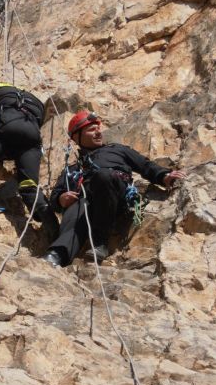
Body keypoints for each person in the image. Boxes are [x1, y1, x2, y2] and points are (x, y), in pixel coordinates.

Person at [42, 110, 187, 267]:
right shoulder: (71, 170)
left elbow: (144, 165)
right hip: (86, 202)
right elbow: (55, 197)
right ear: (77, 137)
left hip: (114, 194)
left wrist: (163, 175)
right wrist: (61, 199)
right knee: (77, 207)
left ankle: (100, 243)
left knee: (104, 176)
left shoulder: (116, 149)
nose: (98, 133)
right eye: (92, 130)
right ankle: (57, 254)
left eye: (98, 129)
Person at [0, 82, 59, 239]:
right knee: (29, 186)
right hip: (32, 136)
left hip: (6, 126)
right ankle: (53, 231)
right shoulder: (36, 102)